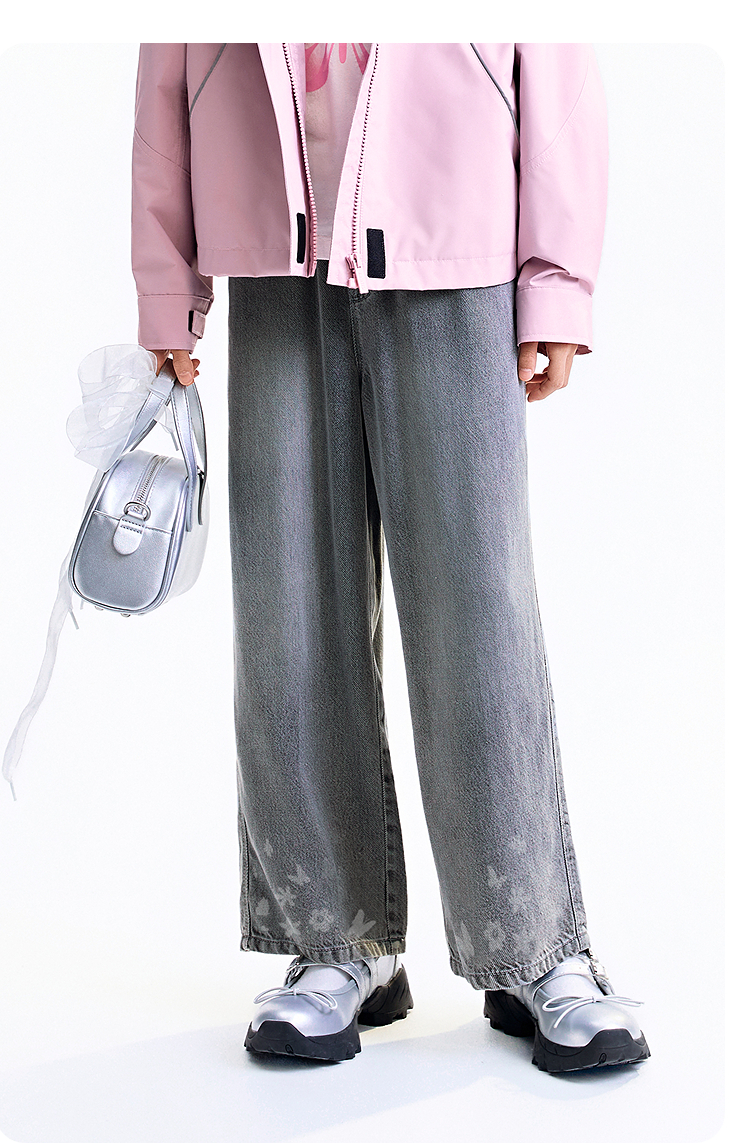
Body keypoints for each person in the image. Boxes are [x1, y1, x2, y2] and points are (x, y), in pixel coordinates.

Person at [131, 42, 650, 1074]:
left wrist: (556, 284)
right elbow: (165, 72)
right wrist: (166, 283)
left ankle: (533, 945)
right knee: (287, 617)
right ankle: (338, 942)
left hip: (455, 244)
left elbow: (555, 64)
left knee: (478, 614)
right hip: (274, 261)